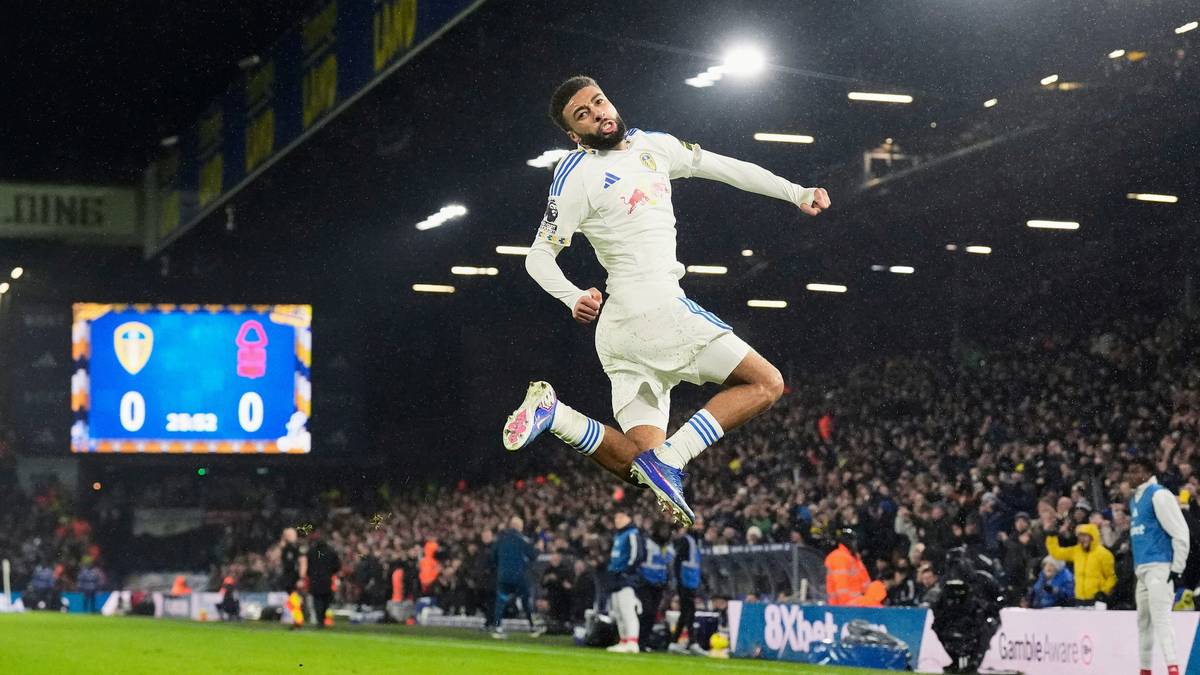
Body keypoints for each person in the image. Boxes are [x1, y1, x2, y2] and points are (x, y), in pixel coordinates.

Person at [502, 75, 831, 525]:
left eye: (599, 101)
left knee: (639, 467)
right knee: (767, 384)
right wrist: (571, 294)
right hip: (655, 310)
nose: (598, 112)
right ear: (574, 135)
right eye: (583, 114)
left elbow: (726, 167)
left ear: (610, 101)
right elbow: (538, 255)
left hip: (622, 334)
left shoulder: (655, 146)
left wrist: (796, 192)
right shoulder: (576, 174)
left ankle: (557, 416)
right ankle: (672, 458)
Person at [1127, 455, 1191, 675]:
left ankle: (1173, 670)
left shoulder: (1159, 495)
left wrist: (1177, 568)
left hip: (1160, 566)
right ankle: (1145, 670)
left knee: (1161, 619)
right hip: (1142, 569)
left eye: (1135, 471)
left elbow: (1181, 532)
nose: (1130, 476)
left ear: (1146, 473)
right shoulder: (1134, 499)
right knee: (1143, 623)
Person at [491, 516, 541, 639]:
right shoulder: (522, 540)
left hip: (503, 576)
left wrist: (501, 567)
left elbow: (493, 556)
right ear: (519, 527)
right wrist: (539, 548)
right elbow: (533, 556)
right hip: (519, 576)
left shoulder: (500, 539)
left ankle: (497, 627)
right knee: (525, 600)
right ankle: (532, 627)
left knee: (500, 601)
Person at [1044, 521, 1117, 604]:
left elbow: (1111, 577)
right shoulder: (1076, 551)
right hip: (1079, 598)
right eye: (1080, 536)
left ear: (1093, 537)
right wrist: (1052, 537)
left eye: (1085, 536)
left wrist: (1104, 592)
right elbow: (1056, 553)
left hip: (1097, 599)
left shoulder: (1104, 554)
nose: (1082, 539)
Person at [607, 511, 646, 653]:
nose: (617, 519)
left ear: (629, 518)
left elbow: (637, 555)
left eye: (620, 517)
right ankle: (623, 640)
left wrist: (626, 571)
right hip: (616, 577)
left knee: (628, 610)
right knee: (618, 611)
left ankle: (632, 641)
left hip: (626, 578)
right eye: (616, 517)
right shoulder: (618, 535)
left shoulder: (632, 533)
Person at [637, 522, 674, 649]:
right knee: (646, 611)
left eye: (667, 530)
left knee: (652, 614)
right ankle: (637, 639)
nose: (665, 533)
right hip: (645, 583)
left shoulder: (668, 546)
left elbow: (668, 566)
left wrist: (668, 582)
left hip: (659, 585)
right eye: (663, 529)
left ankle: (643, 642)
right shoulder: (647, 543)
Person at [668, 522, 703, 654]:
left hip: (691, 581)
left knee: (685, 612)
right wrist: (679, 582)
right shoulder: (686, 540)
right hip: (685, 581)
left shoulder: (695, 541)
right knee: (689, 611)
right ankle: (692, 642)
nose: (700, 525)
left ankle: (674, 641)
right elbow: (678, 562)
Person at [303, 531, 340, 630]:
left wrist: (310, 575)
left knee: (317, 602)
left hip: (315, 581)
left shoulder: (311, 552)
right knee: (326, 601)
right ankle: (322, 619)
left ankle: (320, 621)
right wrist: (329, 572)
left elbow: (308, 567)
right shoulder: (331, 552)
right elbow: (337, 566)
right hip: (327, 580)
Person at [279, 527, 302, 593]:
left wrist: (301, 578)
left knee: (297, 596)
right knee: (291, 594)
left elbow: (303, 562)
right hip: (288, 577)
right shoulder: (286, 548)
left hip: (296, 576)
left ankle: (299, 603)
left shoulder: (298, 547)